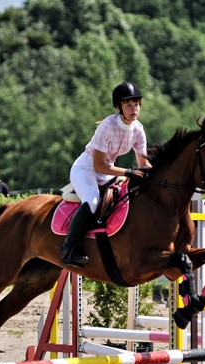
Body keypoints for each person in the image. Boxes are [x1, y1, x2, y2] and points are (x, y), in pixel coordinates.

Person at [62, 81, 150, 267]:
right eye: (128, 105)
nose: (134, 109)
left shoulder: (138, 129)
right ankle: (68, 249)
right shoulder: (108, 126)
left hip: (107, 171)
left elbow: (143, 163)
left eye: (137, 104)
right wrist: (127, 171)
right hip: (86, 169)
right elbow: (99, 165)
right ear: (119, 107)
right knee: (93, 200)